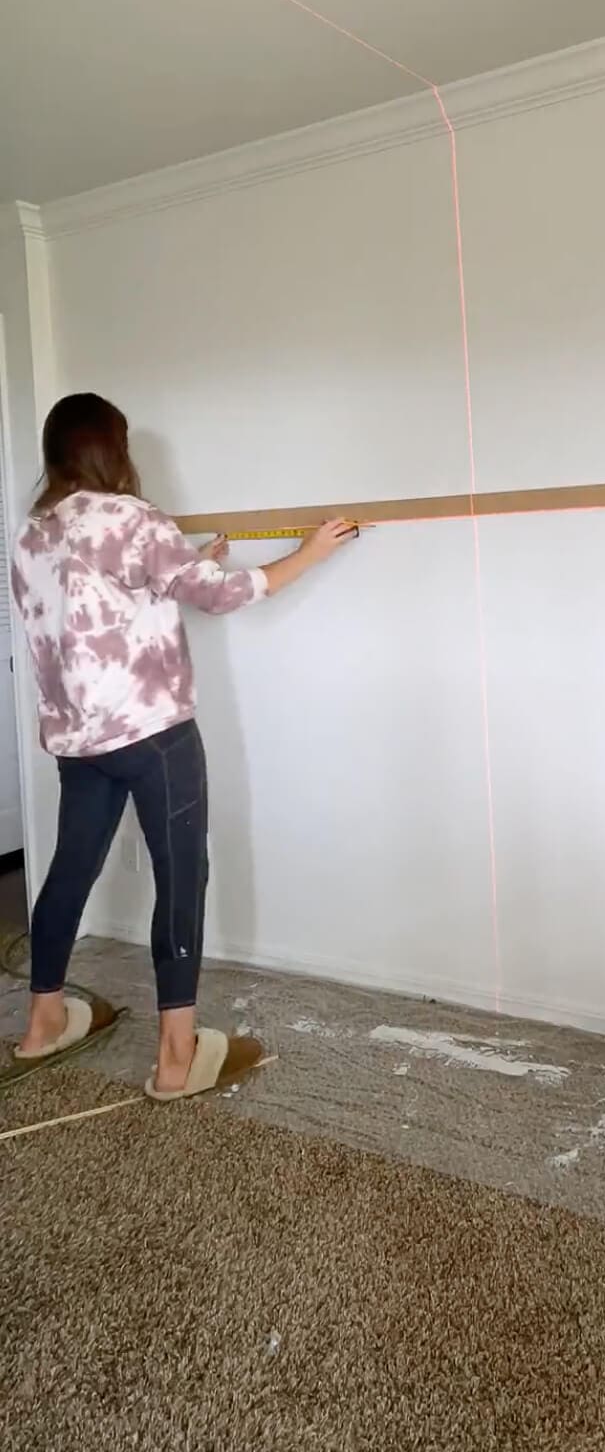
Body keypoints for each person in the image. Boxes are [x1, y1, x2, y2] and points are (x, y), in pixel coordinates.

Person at [8, 392, 355, 1099]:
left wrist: (186, 563)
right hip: (155, 737)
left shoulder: (30, 536)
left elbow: (94, 613)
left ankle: (42, 1023)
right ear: (113, 449)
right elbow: (221, 598)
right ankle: (175, 1055)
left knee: (70, 872)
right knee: (180, 876)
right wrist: (309, 554)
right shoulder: (132, 519)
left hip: (80, 743)